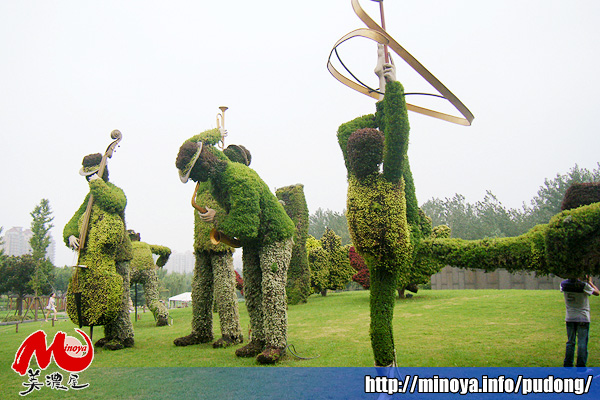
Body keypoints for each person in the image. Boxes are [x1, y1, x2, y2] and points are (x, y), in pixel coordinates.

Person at [175, 131, 295, 364]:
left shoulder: (240, 178)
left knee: (271, 288)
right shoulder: (219, 178)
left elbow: (247, 226)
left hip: (274, 236)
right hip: (256, 240)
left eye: (193, 174)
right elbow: (198, 142)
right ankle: (259, 340)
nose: (194, 180)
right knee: (252, 290)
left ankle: (276, 344)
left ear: (203, 164)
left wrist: (217, 219)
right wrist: (213, 134)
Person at [560, 276, 599, 367]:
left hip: (570, 317)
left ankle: (568, 364)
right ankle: (581, 366)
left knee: (570, 342)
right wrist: (590, 282)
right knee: (582, 343)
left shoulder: (563, 284)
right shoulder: (583, 285)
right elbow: (597, 293)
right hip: (583, 317)